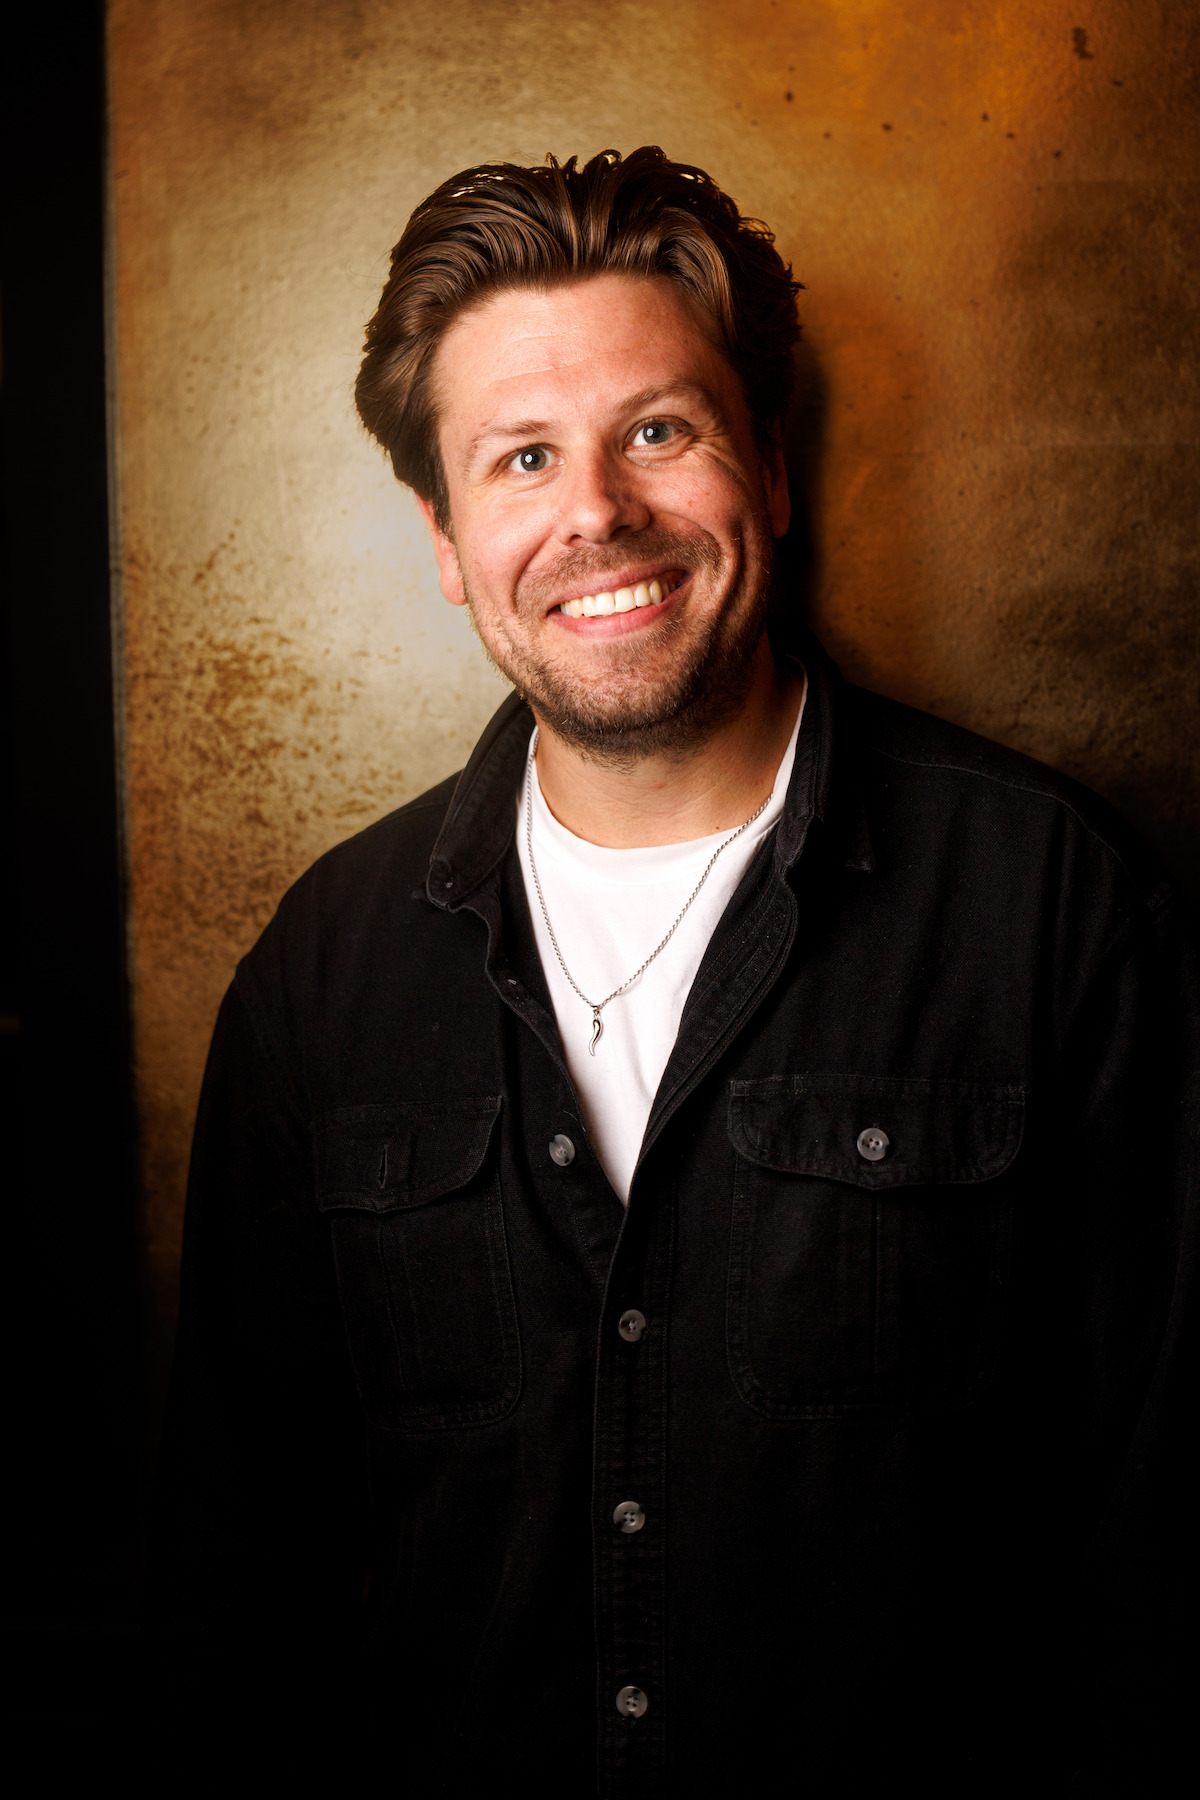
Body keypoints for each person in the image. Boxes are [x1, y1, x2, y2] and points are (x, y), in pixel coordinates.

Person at [149, 147, 1195, 1795]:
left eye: (657, 430)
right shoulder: (323, 975)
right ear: (444, 536)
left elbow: (1167, 1551)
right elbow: (240, 1579)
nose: (596, 516)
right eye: (520, 459)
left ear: (768, 468)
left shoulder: (1059, 908)